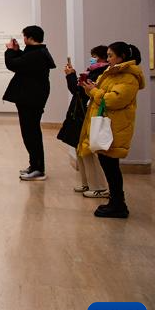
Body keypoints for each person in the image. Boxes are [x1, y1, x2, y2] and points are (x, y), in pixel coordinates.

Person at [78, 41, 146, 218]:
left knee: (111, 167)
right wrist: (90, 88)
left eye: (110, 56)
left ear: (122, 57)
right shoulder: (112, 73)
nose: (107, 59)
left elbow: (113, 100)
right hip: (108, 125)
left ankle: (118, 204)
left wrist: (94, 91)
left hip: (114, 127)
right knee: (108, 166)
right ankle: (115, 202)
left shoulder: (129, 77)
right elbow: (101, 94)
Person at [3, 25, 56, 181]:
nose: (23, 39)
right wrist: (17, 50)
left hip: (31, 99)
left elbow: (13, 64)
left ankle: (38, 169)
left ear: (30, 38)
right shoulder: (37, 52)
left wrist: (9, 50)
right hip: (31, 98)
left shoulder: (37, 54)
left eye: (24, 36)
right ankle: (34, 165)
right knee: (31, 133)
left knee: (31, 134)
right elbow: (23, 61)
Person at [58, 46, 110, 197]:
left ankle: (99, 186)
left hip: (87, 114)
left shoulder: (101, 73)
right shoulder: (92, 71)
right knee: (80, 149)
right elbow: (77, 90)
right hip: (79, 113)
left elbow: (80, 91)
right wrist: (72, 75)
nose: (92, 59)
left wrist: (71, 76)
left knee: (87, 151)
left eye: (94, 56)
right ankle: (86, 183)